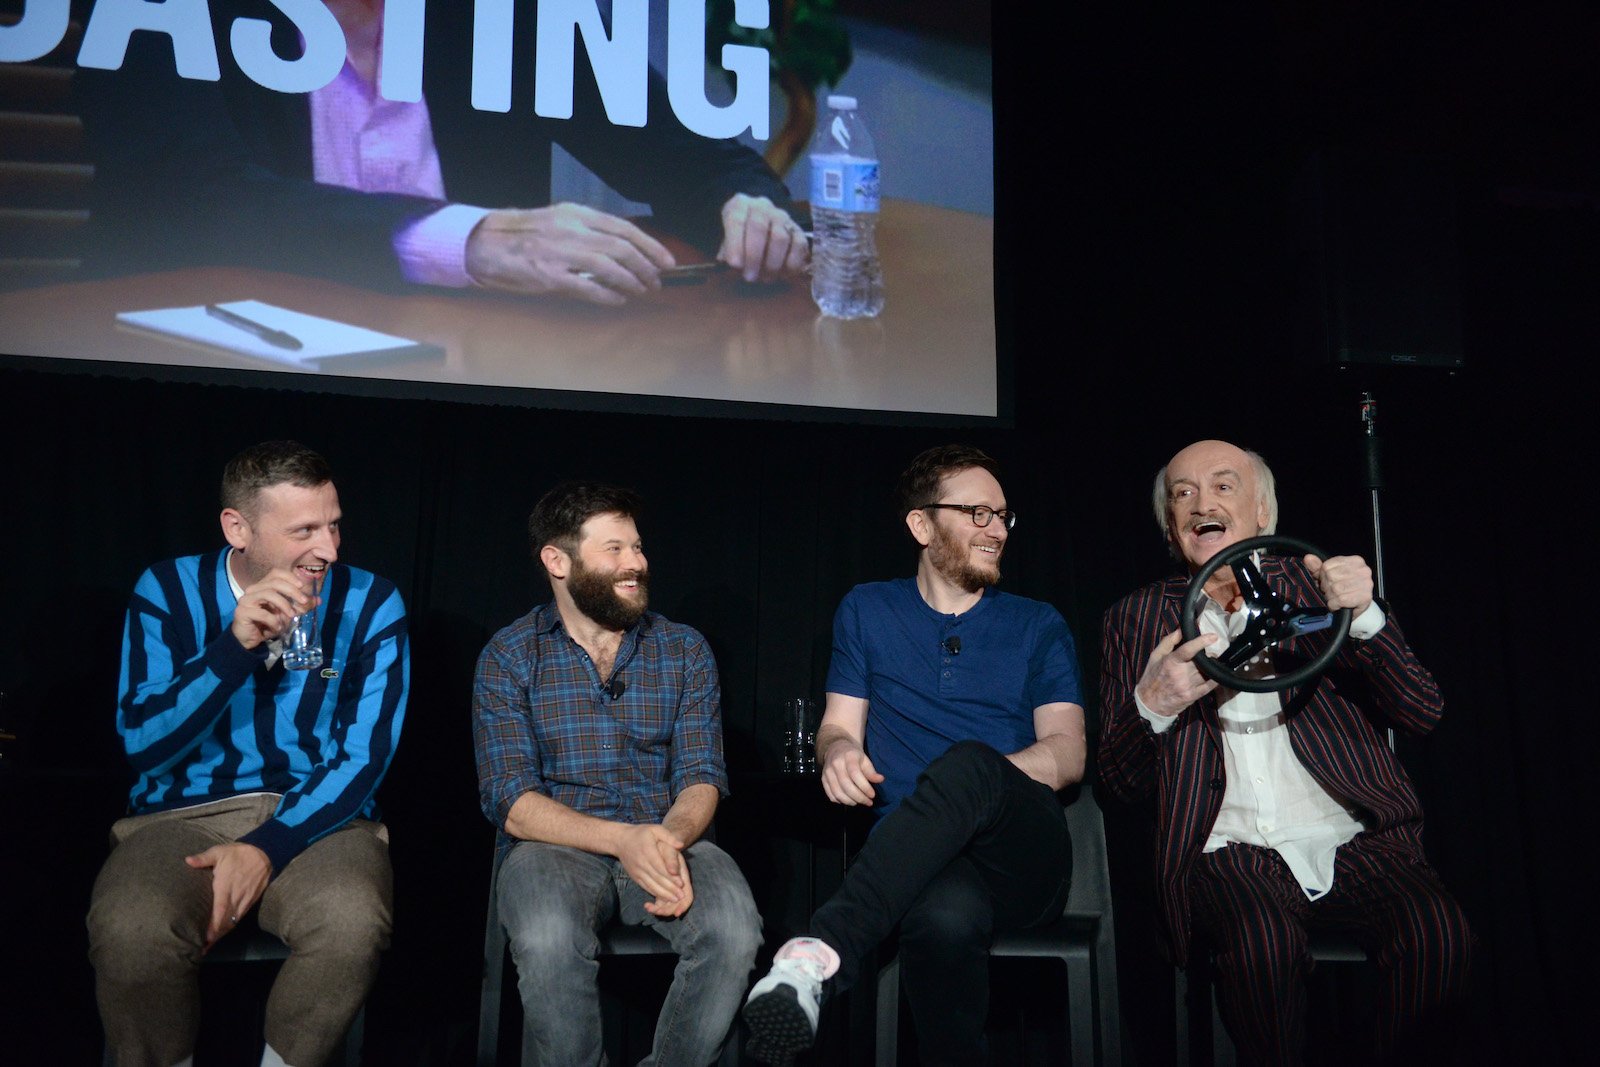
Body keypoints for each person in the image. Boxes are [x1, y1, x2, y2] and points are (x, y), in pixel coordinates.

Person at [1098, 439, 1473, 1065]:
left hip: (1352, 839)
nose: (1200, 503)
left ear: (1262, 513)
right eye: (1182, 493)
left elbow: (1423, 711)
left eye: (1223, 487)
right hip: (1226, 853)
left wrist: (1364, 616)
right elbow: (1116, 784)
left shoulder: (1319, 591)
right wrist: (1154, 705)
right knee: (1260, 946)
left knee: (1440, 934)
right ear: (1170, 523)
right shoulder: (1133, 620)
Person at [74, 0, 808, 304]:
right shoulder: (163, 8)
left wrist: (744, 205)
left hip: (460, 376)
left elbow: (699, 156)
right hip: (204, 378)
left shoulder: (498, 12)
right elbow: (194, 199)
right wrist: (471, 239)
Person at [742, 444, 1087, 1065]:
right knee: (943, 918)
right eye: (977, 513)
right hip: (921, 859)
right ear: (921, 525)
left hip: (1022, 854)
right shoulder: (868, 610)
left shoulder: (1038, 624)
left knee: (969, 763)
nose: (995, 529)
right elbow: (836, 728)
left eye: (1002, 515)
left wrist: (976, 780)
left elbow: (1067, 754)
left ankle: (813, 959)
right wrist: (839, 752)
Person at [87, 441, 410, 1067]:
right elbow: (144, 747)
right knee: (131, 928)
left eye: (335, 524)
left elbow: (364, 758)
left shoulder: (372, 602)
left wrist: (266, 849)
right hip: (177, 818)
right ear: (238, 528)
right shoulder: (167, 590)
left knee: (352, 921)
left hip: (321, 820)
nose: (330, 550)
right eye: (304, 531)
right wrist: (232, 649)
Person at [472, 482, 760, 1065]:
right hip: (555, 846)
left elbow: (702, 775)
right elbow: (511, 800)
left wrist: (667, 839)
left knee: (733, 930)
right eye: (615, 550)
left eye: (637, 547)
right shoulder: (509, 655)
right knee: (549, 940)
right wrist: (621, 841)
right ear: (557, 561)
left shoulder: (683, 649)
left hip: (667, 835)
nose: (637, 563)